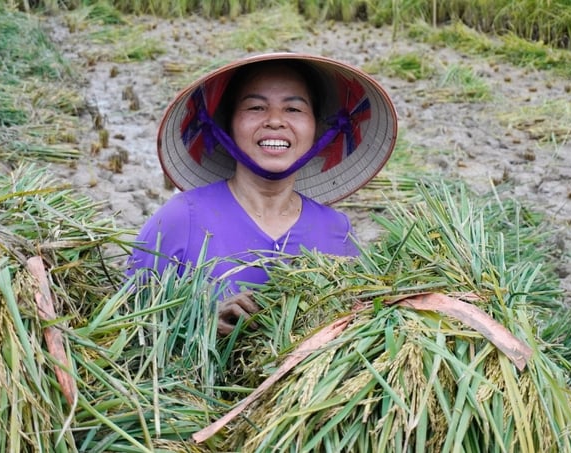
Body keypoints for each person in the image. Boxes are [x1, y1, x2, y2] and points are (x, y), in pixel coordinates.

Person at [127, 53, 397, 335]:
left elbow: (359, 328)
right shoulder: (181, 219)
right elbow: (128, 326)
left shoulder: (336, 231)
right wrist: (197, 322)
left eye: (293, 109)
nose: (275, 121)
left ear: (318, 129)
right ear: (226, 125)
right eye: (256, 107)